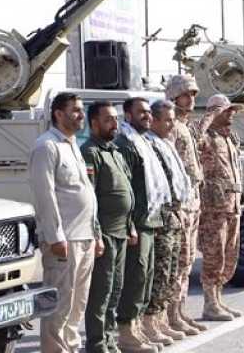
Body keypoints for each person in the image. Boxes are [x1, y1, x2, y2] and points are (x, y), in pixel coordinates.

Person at [28, 93, 102, 353]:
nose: (81, 115)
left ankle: (70, 347)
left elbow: (86, 193)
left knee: (77, 303)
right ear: (58, 114)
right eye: (76, 110)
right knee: (59, 304)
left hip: (84, 238)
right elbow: (44, 196)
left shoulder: (71, 145)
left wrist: (96, 234)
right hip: (65, 240)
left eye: (82, 110)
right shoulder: (46, 146)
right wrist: (55, 237)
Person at [81, 101, 149, 353]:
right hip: (106, 233)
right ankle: (97, 345)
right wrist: (97, 234)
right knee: (101, 293)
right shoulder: (90, 152)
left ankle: (110, 341)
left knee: (115, 291)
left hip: (122, 231)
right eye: (108, 119)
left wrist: (131, 225)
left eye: (115, 119)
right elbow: (90, 198)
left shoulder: (115, 152)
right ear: (94, 123)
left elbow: (128, 192)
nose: (115, 124)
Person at [115, 98, 173, 348]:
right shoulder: (125, 144)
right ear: (127, 115)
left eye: (149, 112)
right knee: (135, 277)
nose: (147, 116)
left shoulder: (143, 142)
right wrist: (130, 224)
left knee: (146, 277)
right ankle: (126, 332)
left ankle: (137, 327)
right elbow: (125, 188)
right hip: (136, 222)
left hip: (150, 220)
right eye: (141, 113)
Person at [144, 100, 196, 340]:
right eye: (166, 119)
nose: (170, 124)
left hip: (175, 214)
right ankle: (150, 324)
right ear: (153, 120)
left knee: (172, 271)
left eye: (172, 119)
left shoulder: (165, 143)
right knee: (159, 273)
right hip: (160, 217)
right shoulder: (148, 145)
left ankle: (162, 319)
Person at [196, 93, 244, 321]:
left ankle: (218, 299)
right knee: (213, 255)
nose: (232, 114)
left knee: (229, 255)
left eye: (232, 110)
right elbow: (193, 138)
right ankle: (209, 303)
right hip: (213, 208)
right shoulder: (204, 136)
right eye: (227, 110)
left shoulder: (230, 137)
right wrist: (209, 116)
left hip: (232, 204)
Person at [165, 75, 209, 334]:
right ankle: (171, 315)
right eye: (186, 94)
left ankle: (179, 312)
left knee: (188, 260)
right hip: (180, 203)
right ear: (173, 96)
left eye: (193, 94)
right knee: (178, 262)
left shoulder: (185, 125)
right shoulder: (171, 127)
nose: (191, 99)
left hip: (192, 200)